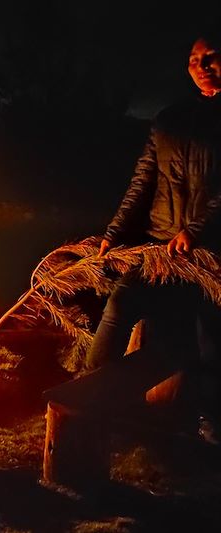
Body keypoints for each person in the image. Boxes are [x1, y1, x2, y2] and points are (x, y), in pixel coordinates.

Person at [85, 28, 221, 443]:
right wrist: (115, 231)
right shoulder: (170, 119)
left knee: (208, 336)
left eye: (212, 58)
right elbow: (142, 182)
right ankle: (89, 398)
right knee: (119, 305)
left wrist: (197, 231)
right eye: (195, 61)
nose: (202, 68)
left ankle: (209, 418)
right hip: (163, 246)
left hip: (212, 251)